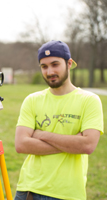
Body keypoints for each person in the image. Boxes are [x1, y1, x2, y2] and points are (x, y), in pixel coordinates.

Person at [14, 40, 104, 200]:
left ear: (69, 63)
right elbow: (21, 144)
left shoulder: (89, 100)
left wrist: (42, 135)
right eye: (44, 66)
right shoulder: (32, 100)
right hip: (28, 190)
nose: (49, 72)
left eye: (55, 64)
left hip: (67, 193)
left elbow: (88, 145)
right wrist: (72, 143)